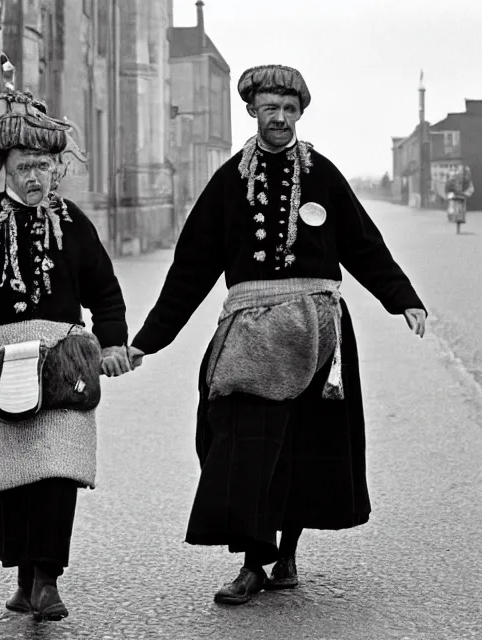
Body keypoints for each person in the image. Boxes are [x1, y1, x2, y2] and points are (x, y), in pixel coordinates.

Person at [129, 64, 427, 605]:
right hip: (250, 333)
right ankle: (250, 564)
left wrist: (402, 298)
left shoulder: (324, 177)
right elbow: (192, 267)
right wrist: (149, 339)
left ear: (300, 114)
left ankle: (286, 553)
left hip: (318, 329)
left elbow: (364, 245)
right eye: (271, 109)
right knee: (245, 441)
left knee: (308, 442)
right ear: (253, 111)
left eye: (290, 110)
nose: (281, 119)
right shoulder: (227, 182)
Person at [0, 71, 140, 621]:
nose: (37, 177)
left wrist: (112, 343)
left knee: (57, 471)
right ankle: (24, 577)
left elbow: (106, 294)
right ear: (6, 171)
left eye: (45, 166)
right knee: (7, 480)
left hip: (64, 369)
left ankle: (47, 581)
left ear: (56, 167)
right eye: (25, 168)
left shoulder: (76, 226)